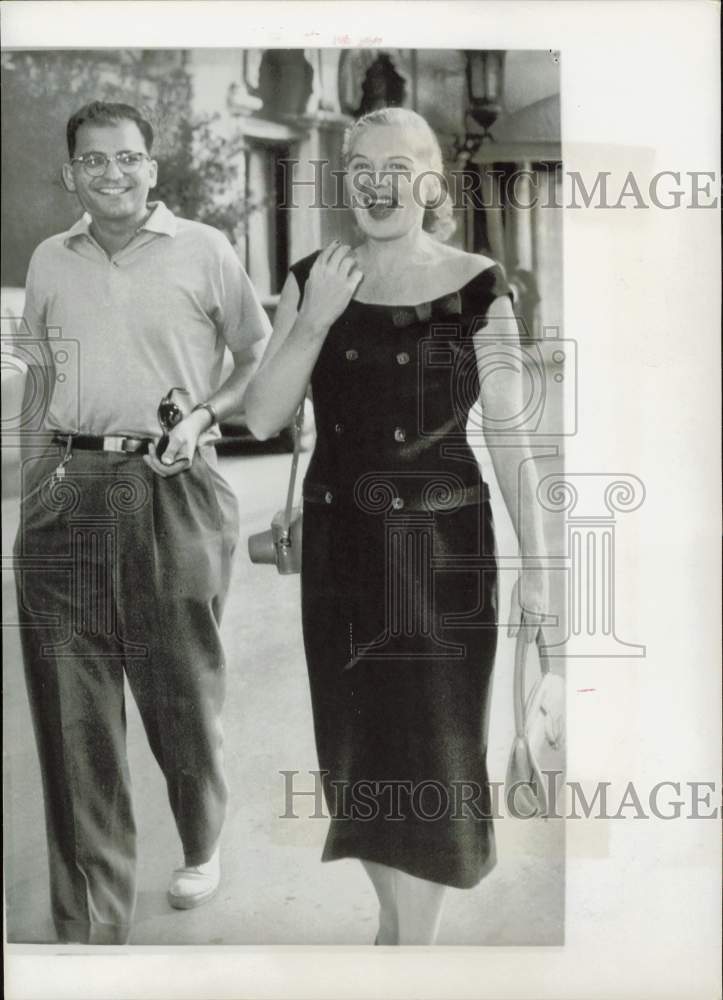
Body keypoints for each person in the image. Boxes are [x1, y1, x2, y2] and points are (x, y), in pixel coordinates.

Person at [244, 107, 548, 945]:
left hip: (443, 557)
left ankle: (410, 949)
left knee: (434, 759)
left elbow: (514, 440)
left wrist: (546, 576)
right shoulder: (315, 276)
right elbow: (266, 412)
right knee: (356, 761)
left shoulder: (479, 284)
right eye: (360, 166)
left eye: (398, 165)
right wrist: (313, 317)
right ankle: (399, 933)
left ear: (429, 181)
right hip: (343, 553)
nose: (377, 183)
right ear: (346, 182)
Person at [13, 100, 270, 944]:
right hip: (65, 487)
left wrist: (203, 417)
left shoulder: (205, 251)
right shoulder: (51, 259)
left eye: (126, 159)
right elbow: (40, 378)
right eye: (93, 162)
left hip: (174, 488)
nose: (111, 175)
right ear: (71, 174)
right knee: (71, 710)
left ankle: (200, 836)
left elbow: (253, 356)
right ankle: (91, 922)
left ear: (152, 169)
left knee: (179, 694)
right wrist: (31, 484)